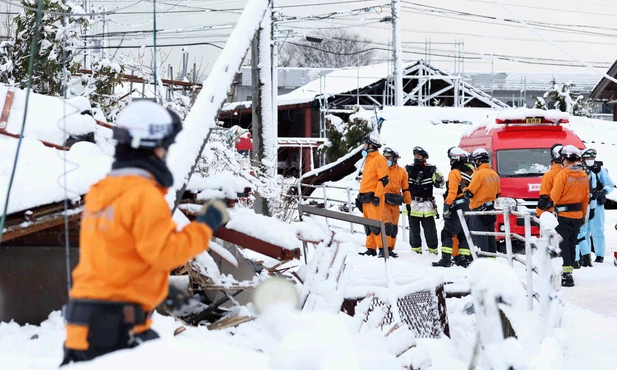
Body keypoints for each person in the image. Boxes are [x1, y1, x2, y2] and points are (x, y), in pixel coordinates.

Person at [60, 101, 230, 365]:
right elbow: (165, 253)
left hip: (88, 319)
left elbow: (122, 257)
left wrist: (163, 291)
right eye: (166, 147)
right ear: (153, 147)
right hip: (114, 327)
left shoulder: (102, 191)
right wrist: (207, 224)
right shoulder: (144, 195)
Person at [550, 145, 589, 287]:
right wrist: (583, 215)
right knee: (572, 243)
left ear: (564, 158)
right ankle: (570, 271)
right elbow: (586, 198)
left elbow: (554, 195)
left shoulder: (563, 174)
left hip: (564, 215)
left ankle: (566, 275)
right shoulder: (584, 175)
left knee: (563, 244)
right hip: (578, 215)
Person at [433, 147, 474, 268]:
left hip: (458, 206)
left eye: (451, 159)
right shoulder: (472, 170)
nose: (450, 162)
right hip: (471, 206)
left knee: (448, 232)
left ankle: (446, 259)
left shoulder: (454, 172)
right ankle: (463, 258)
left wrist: (446, 206)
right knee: (463, 233)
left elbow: (452, 192)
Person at [405, 146, 444, 254]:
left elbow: (441, 184)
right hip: (412, 204)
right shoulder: (408, 169)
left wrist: (439, 180)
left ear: (424, 158)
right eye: (415, 156)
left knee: (430, 229)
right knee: (413, 229)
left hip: (427, 205)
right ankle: (415, 251)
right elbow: (399, 180)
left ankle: (433, 251)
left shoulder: (432, 169)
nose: (416, 158)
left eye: (419, 156)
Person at [357, 133, 389, 256]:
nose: (364, 146)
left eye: (365, 143)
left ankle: (382, 248)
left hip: (374, 198)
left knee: (375, 225)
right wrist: (359, 196)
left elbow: (383, 180)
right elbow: (367, 180)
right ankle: (371, 248)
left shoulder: (379, 159)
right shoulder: (368, 160)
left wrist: (377, 196)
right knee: (368, 225)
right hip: (365, 197)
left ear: (371, 145)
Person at [464, 148, 500, 256]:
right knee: (490, 238)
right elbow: (498, 193)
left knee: (480, 240)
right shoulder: (494, 174)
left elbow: (469, 193)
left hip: (478, 211)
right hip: (491, 211)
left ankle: (482, 265)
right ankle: (492, 261)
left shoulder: (478, 174)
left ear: (477, 161)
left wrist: (464, 188)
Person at [381, 147, 411, 258]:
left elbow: (406, 188)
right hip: (383, 201)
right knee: (386, 225)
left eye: (389, 157)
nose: (386, 159)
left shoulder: (402, 171)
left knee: (393, 228)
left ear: (395, 158)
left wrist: (408, 202)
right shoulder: (380, 169)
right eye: (385, 157)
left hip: (395, 202)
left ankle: (390, 249)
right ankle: (384, 248)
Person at [585, 149, 614, 263]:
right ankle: (585, 254)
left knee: (598, 229)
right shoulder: (581, 169)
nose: (590, 161)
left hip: (597, 203)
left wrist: (603, 192)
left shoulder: (600, 170)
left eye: (592, 158)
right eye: (588, 158)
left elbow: (609, 184)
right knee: (584, 230)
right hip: (584, 202)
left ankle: (600, 255)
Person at [574, 148, 598, 268]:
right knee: (582, 233)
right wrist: (592, 209)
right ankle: (587, 259)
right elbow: (593, 194)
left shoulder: (568, 172)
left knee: (573, 234)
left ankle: (575, 261)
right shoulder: (590, 173)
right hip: (586, 206)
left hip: (572, 206)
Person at [536, 143, 563, 218]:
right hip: (574, 214)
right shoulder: (577, 174)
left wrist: (539, 215)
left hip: (554, 213)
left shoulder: (549, 175)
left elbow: (544, 198)